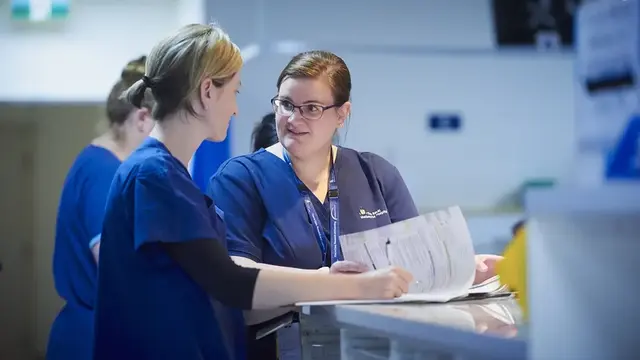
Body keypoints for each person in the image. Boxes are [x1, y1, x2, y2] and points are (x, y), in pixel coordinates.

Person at [93, 23, 412, 360]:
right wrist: (356, 286)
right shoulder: (153, 176)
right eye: (235, 93)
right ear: (207, 92)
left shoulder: (169, 176)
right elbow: (232, 281)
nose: (235, 109)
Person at [206, 50, 503, 360]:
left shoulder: (376, 174)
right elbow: (235, 287)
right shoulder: (240, 179)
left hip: (373, 348)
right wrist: (337, 286)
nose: (294, 119)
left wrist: (462, 268)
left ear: (341, 114)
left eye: (311, 108)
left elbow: (414, 272)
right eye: (286, 105)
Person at [46, 56, 155, 360]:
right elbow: (116, 264)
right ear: (143, 119)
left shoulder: (97, 162)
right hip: (93, 340)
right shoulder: (105, 173)